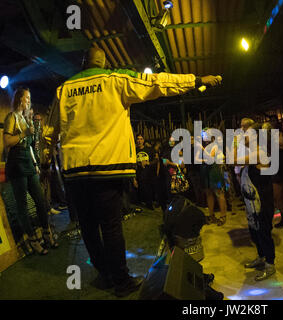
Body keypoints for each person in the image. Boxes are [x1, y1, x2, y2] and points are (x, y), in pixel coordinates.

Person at [41, 47, 222, 297]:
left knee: (88, 227)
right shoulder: (115, 80)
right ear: (102, 63)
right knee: (112, 226)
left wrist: (45, 161)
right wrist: (197, 80)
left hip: (75, 171)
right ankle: (121, 280)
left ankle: (104, 275)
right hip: (107, 168)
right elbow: (158, 82)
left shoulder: (64, 90)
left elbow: (49, 130)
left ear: (84, 63)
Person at [3, 87, 59, 256]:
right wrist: (24, 134)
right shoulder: (11, 117)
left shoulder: (25, 119)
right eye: (27, 98)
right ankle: (33, 240)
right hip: (16, 164)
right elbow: (7, 141)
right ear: (19, 98)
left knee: (40, 201)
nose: (28, 100)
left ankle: (47, 233)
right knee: (23, 206)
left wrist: (35, 163)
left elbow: (29, 147)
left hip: (28, 162)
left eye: (29, 98)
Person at [237, 122, 276, 281]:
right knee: (254, 231)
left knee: (264, 232)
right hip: (252, 202)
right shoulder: (253, 151)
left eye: (247, 133)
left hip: (262, 202)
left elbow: (234, 160)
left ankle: (270, 264)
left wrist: (236, 143)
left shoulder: (260, 152)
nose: (243, 135)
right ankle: (261, 257)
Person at [197, 131, 228, 226]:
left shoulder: (215, 146)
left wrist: (202, 150)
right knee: (209, 194)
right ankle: (211, 215)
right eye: (203, 136)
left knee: (219, 193)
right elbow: (197, 160)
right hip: (206, 172)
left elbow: (210, 159)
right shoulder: (205, 147)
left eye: (206, 136)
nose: (204, 138)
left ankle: (223, 216)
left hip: (214, 172)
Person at [133, 134, 154, 209]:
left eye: (141, 139)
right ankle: (140, 203)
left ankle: (149, 204)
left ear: (143, 140)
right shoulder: (134, 151)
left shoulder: (148, 150)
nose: (139, 141)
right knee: (139, 189)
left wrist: (148, 163)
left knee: (148, 189)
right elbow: (133, 163)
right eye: (138, 139)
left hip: (148, 174)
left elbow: (156, 160)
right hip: (138, 174)